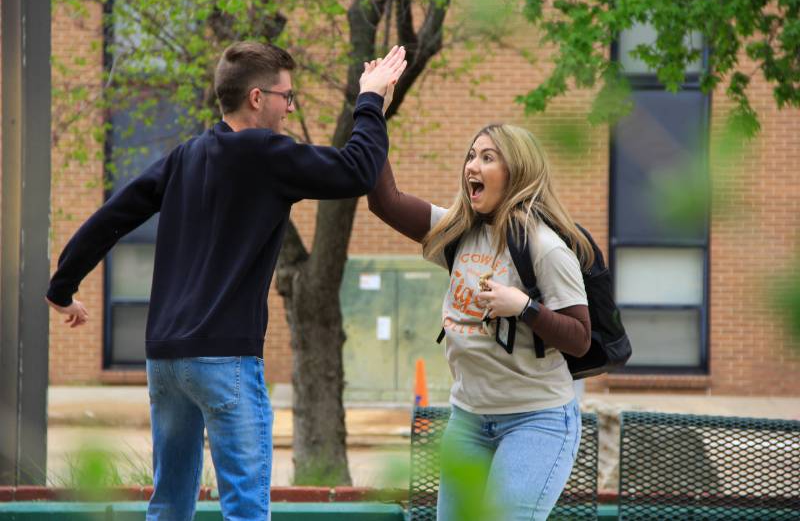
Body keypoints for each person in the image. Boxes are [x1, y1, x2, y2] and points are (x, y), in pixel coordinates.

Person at [46, 41, 406, 521]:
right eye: (287, 97)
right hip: (224, 359)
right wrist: (371, 99)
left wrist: (62, 288)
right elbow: (357, 170)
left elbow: (112, 216)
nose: (289, 107)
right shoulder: (268, 152)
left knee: (170, 505)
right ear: (258, 98)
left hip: (166, 360)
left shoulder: (186, 156)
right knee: (245, 509)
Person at [367, 123, 592, 520]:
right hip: (468, 419)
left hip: (536, 420)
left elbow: (579, 339)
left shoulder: (546, 247)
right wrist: (372, 113)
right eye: (471, 155)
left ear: (517, 172)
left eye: (488, 157)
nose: (473, 164)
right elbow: (384, 201)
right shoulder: (456, 232)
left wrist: (524, 307)